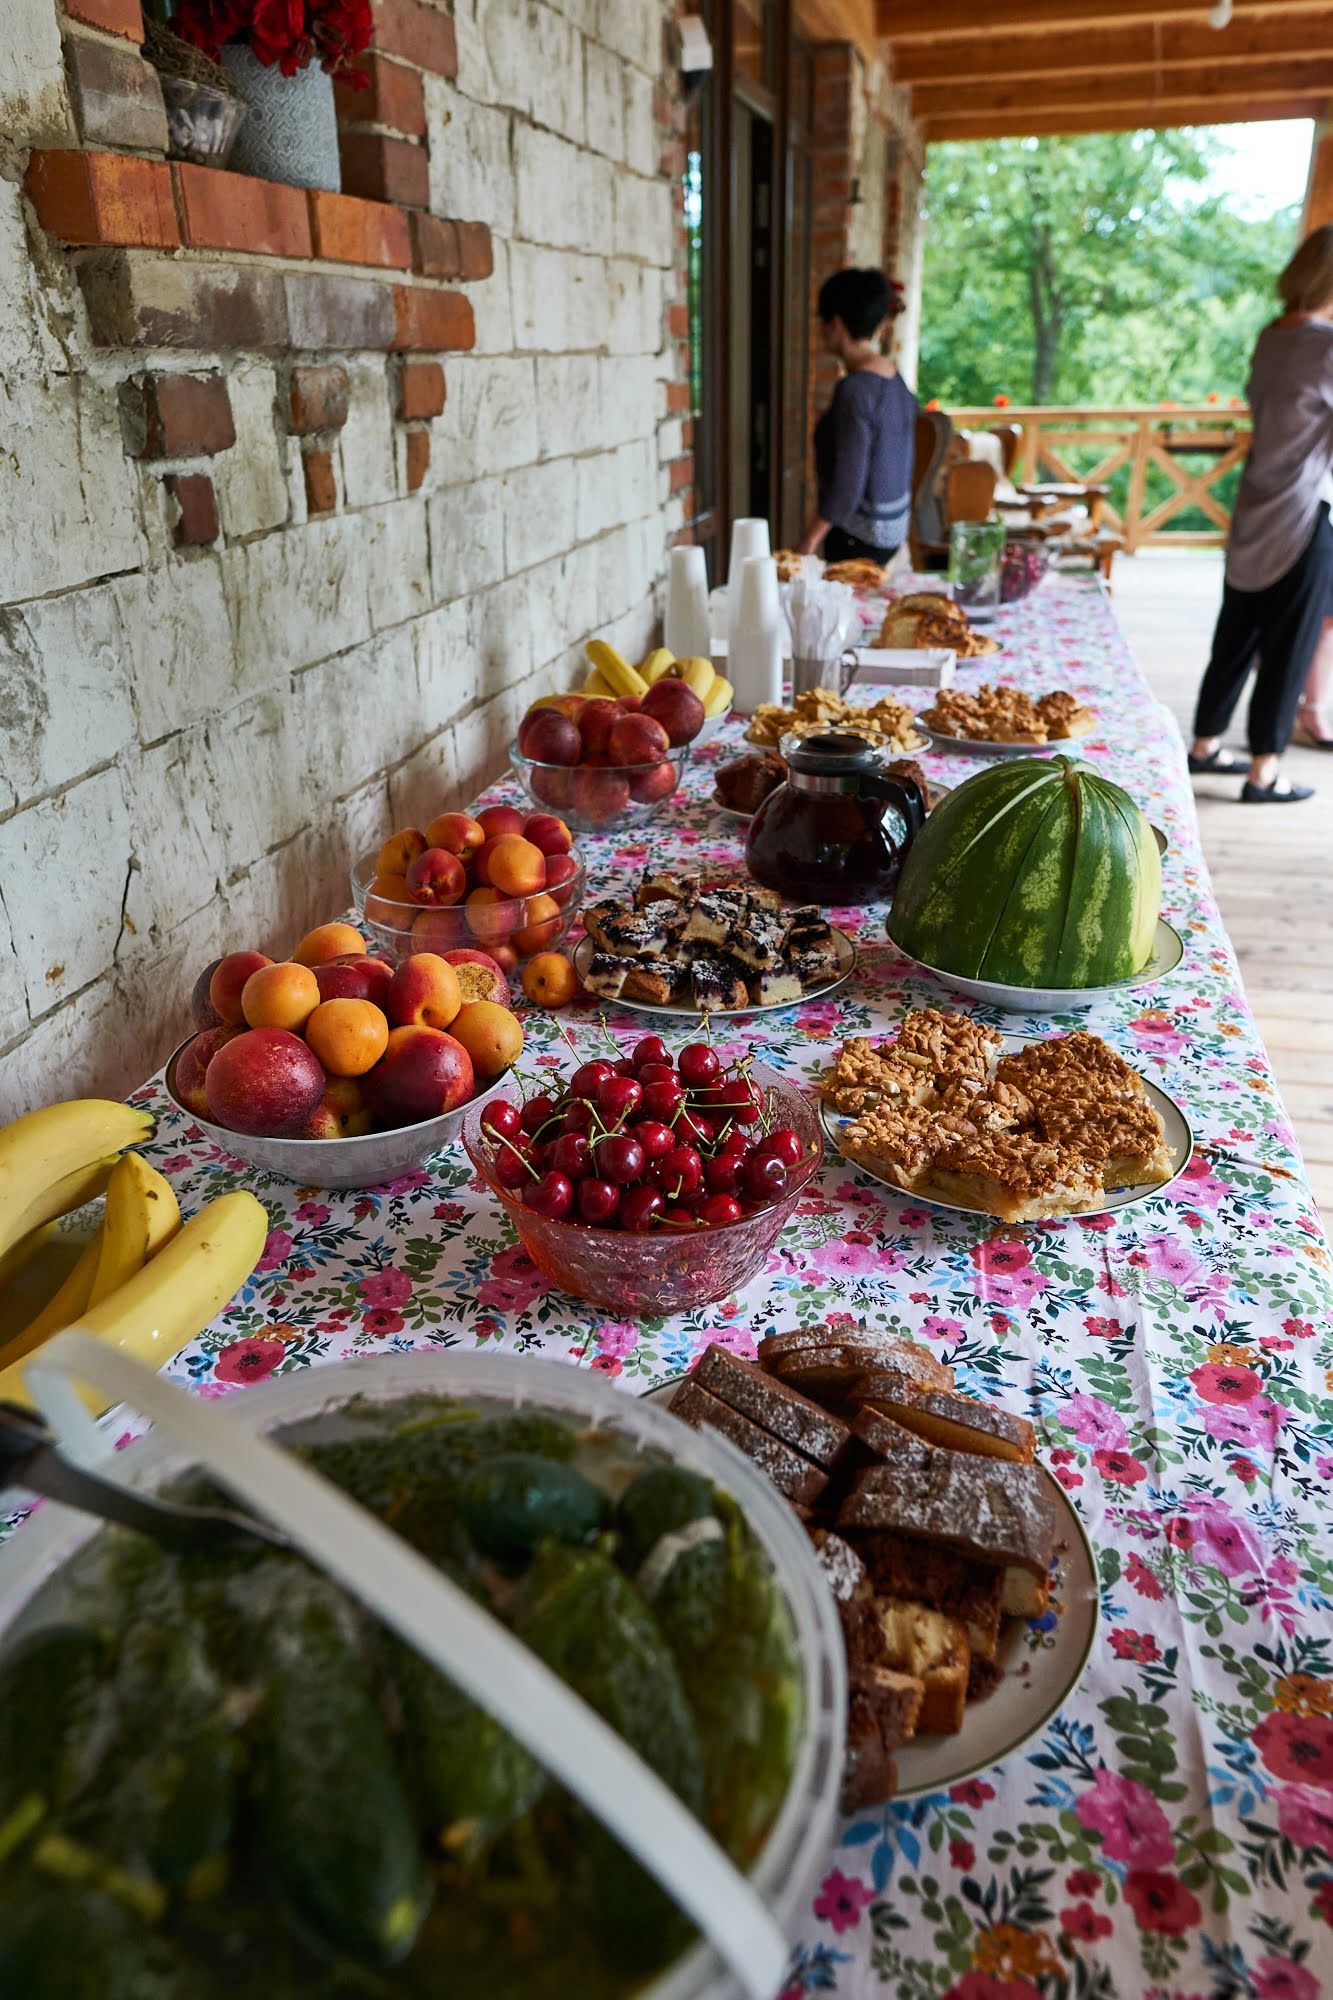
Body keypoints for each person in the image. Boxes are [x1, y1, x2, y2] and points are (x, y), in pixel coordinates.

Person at [1189, 224, 1333, 803]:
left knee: (1236, 633)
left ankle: (1204, 745)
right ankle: (1263, 771)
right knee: (1290, 643)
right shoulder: (1326, 345)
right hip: (1302, 510)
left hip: (1254, 506)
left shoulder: (1271, 337)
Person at [797, 267, 916, 566]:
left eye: (822, 321)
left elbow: (848, 486)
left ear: (836, 324)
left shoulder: (855, 390)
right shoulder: (895, 378)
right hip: (893, 534)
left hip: (858, 541)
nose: (822, 330)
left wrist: (806, 544)